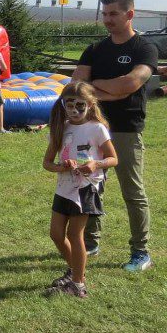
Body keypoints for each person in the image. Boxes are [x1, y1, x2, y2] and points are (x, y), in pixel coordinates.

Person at [71, 0, 158, 271]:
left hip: (126, 130)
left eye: (113, 14)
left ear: (129, 14)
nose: (107, 20)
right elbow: (76, 88)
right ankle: (91, 241)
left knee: (132, 192)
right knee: (90, 185)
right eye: (104, 14)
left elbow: (129, 85)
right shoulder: (95, 50)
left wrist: (99, 88)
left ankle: (141, 251)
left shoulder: (144, 49)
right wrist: (112, 89)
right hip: (92, 129)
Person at [41, 81, 118, 298]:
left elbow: (113, 159)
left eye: (79, 106)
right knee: (56, 234)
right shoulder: (60, 127)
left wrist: (96, 164)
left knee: (75, 234)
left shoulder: (97, 128)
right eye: (69, 105)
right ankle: (75, 271)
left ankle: (77, 284)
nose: (74, 111)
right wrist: (61, 167)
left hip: (86, 188)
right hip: (64, 187)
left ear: (91, 104)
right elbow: (47, 163)